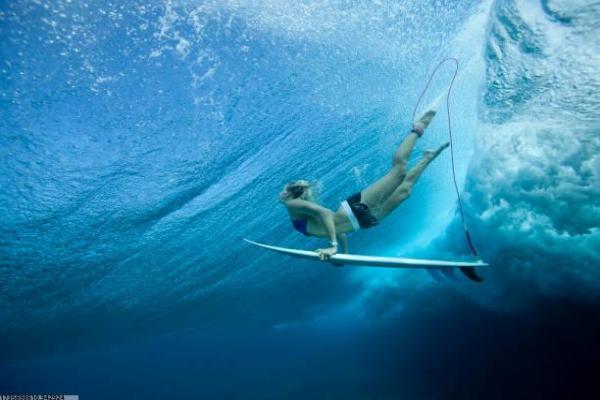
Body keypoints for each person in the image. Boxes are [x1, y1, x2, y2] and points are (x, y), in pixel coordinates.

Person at [279, 110, 449, 260]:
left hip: (355, 210)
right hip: (363, 223)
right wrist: (344, 253)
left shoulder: (291, 204)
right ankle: (427, 158)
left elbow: (324, 213)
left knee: (398, 172)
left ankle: (419, 126)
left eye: (283, 190)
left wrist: (332, 246)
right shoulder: (297, 208)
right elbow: (337, 229)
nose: (281, 193)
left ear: (290, 193)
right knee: (404, 191)